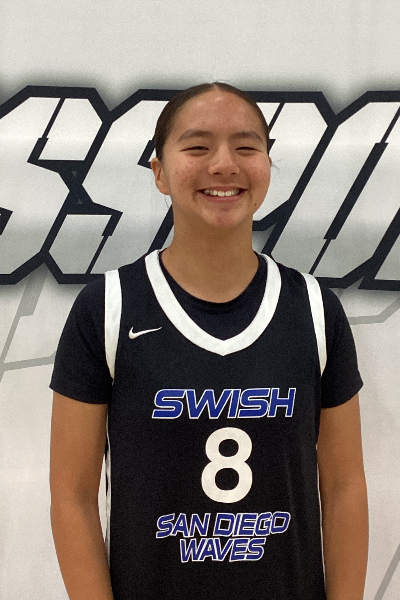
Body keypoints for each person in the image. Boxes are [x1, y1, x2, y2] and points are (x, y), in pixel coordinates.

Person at [49, 82, 368, 600]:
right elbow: (72, 496)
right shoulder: (106, 307)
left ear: (267, 166)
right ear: (158, 171)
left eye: (246, 147)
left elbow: (344, 487)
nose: (224, 165)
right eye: (197, 147)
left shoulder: (314, 309)